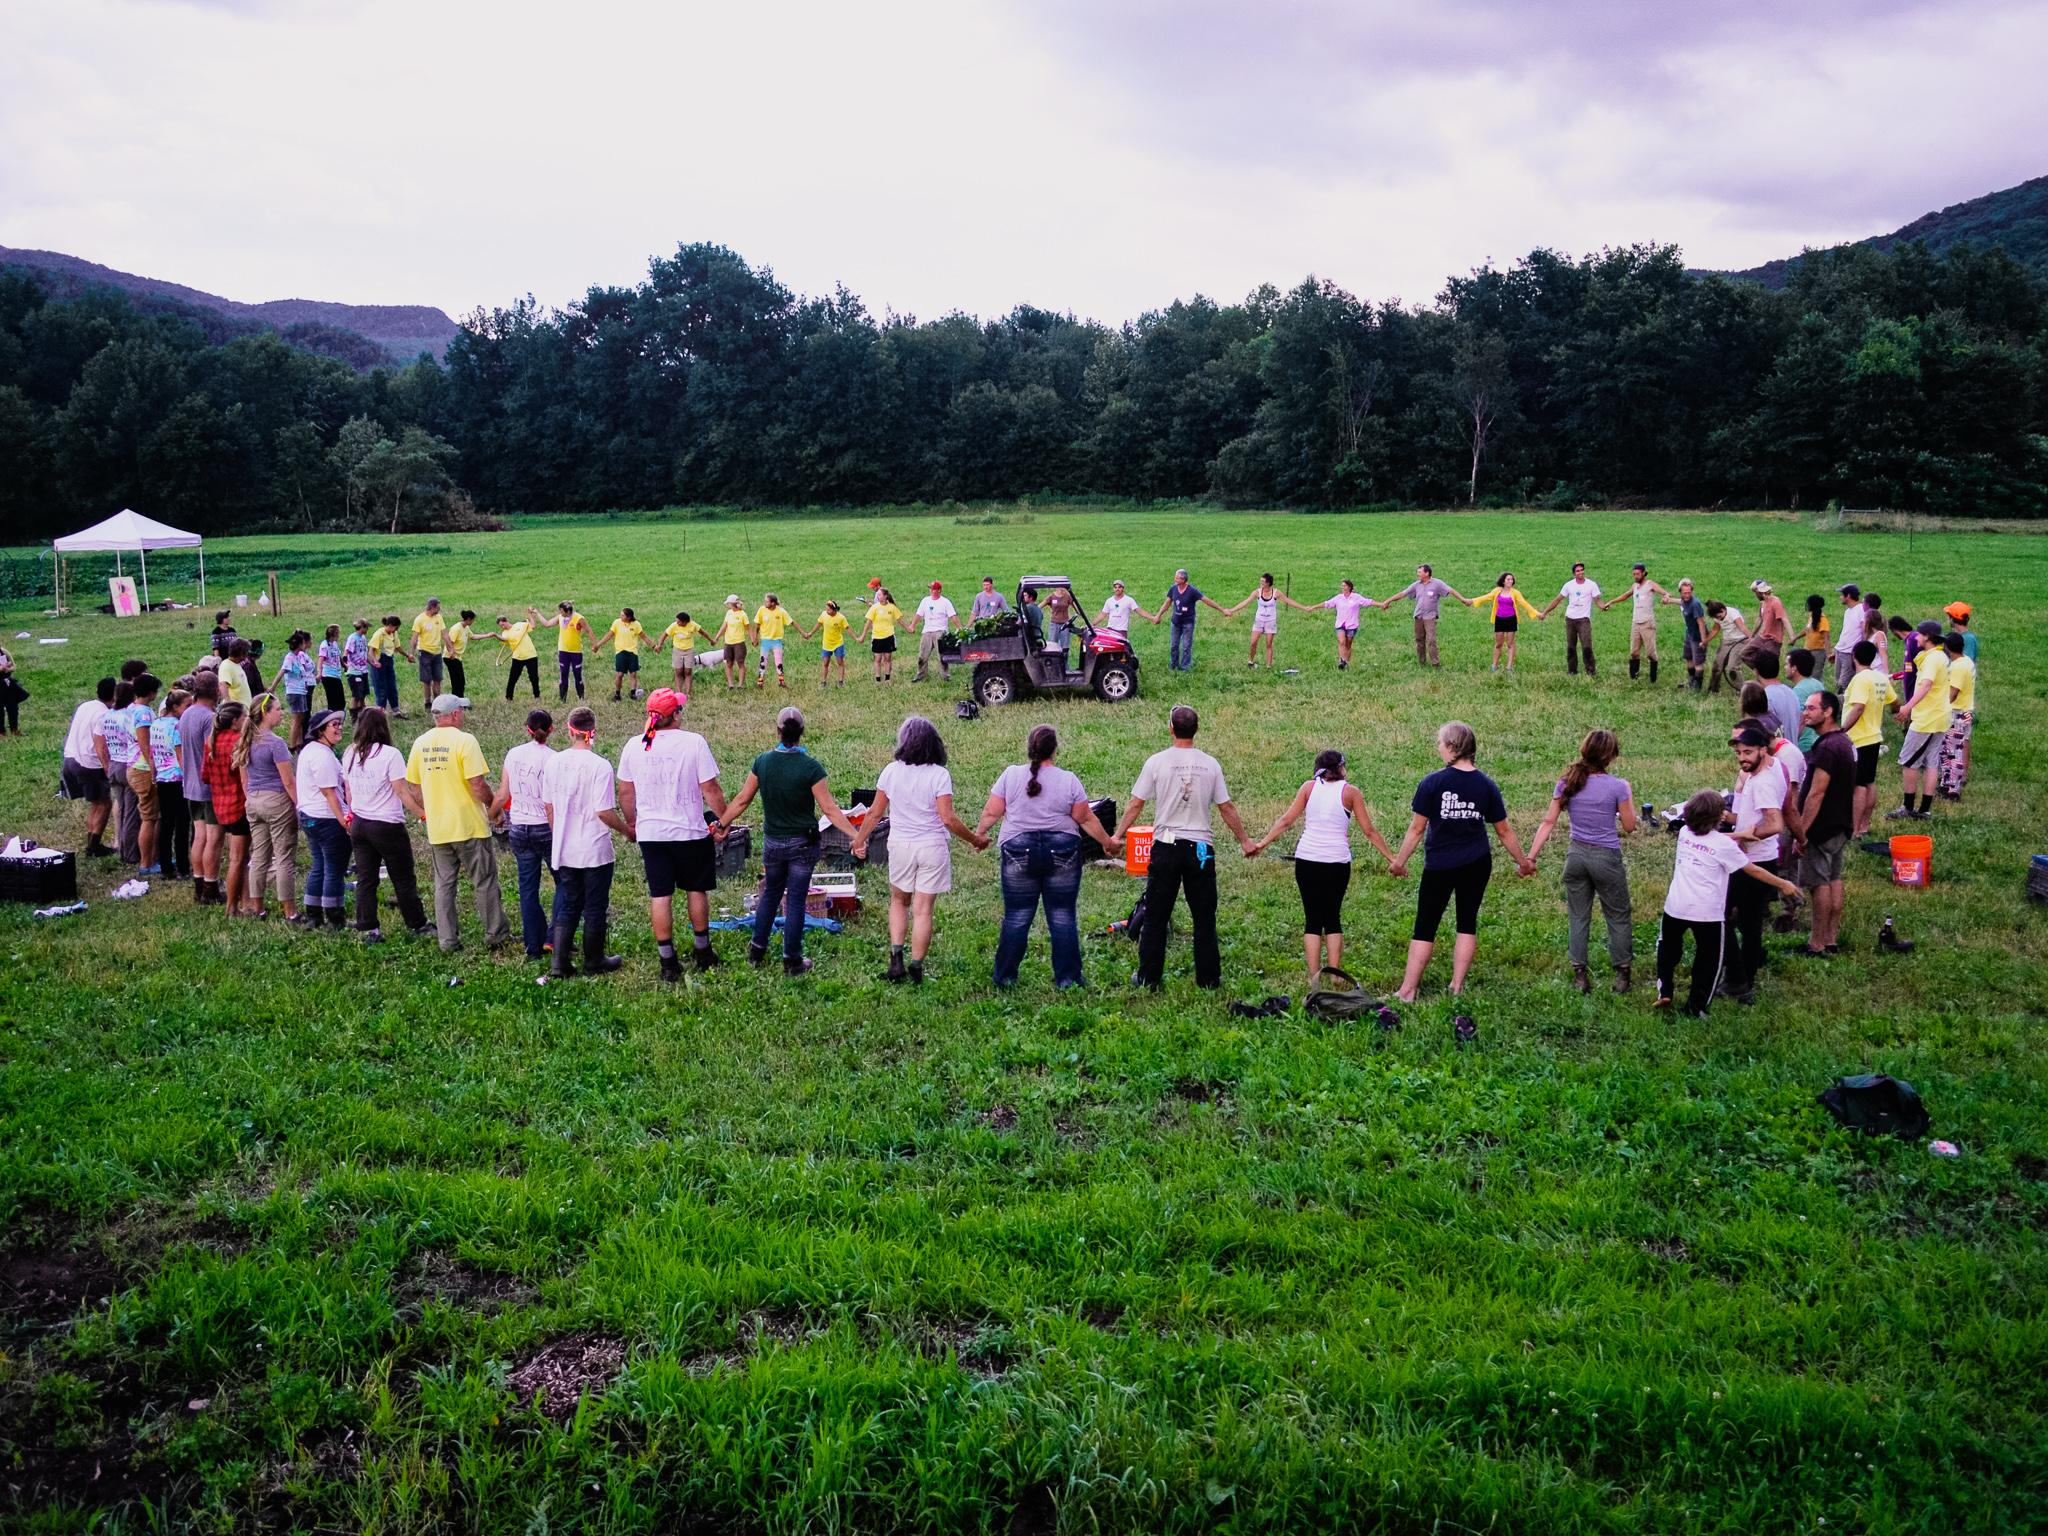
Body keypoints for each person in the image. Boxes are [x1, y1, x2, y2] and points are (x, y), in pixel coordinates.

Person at [1386, 721, 1536, 1001]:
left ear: (1453, 747)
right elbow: (1503, 830)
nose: (1439, 749)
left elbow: (1417, 829)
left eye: (1441, 744)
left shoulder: (1432, 782)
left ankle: (1408, 990)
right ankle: (1456, 986)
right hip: (1477, 862)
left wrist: (1399, 862)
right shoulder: (1487, 785)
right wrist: (1523, 863)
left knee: (1425, 925)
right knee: (1467, 922)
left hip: (1440, 864)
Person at [715, 706, 866, 976]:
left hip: (773, 843)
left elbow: (742, 799)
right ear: (802, 734)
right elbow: (830, 810)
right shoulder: (810, 767)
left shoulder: (762, 762)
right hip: (803, 845)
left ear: (778, 731)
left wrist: (722, 823)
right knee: (795, 900)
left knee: (771, 894)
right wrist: (857, 836)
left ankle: (756, 952)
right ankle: (792, 961)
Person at [1120, 705, 1255, 990]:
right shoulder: (1210, 764)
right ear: (1196, 729)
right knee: (1204, 916)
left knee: (1156, 915)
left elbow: (1136, 804)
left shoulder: (1157, 762)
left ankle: (1148, 977)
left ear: (1171, 728)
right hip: (1200, 850)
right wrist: (1244, 840)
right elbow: (1226, 807)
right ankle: (1208, 978)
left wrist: (1117, 836)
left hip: (1166, 847)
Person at [975, 724, 1118, 990]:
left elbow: (992, 812)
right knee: (1062, 915)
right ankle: (1068, 979)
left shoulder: (1010, 775)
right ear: (1055, 750)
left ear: (1030, 748)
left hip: (1018, 850)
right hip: (1062, 850)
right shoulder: (1068, 779)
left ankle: (1005, 978)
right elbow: (1084, 818)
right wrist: (1108, 843)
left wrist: (980, 836)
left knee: (1017, 916)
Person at [853, 715, 989, 983]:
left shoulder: (891, 771)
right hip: (932, 847)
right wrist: (975, 840)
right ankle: (916, 967)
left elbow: (874, 814)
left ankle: (895, 960)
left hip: (901, 845)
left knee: (899, 902)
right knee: (923, 910)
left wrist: (859, 840)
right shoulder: (939, 775)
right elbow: (947, 818)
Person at [1251, 748, 1397, 987]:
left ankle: (1314, 976)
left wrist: (1261, 844)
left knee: (1312, 919)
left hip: (1307, 859)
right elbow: (1369, 831)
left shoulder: (1308, 788)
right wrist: (1392, 859)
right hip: (1336, 862)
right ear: (1341, 768)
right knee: (1332, 917)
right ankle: (1335, 974)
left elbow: (1287, 820)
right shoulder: (1351, 792)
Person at [1655, 791, 1801, 1018]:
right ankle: (1696, 1008)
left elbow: (1715, 842)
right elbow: (1752, 869)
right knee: (1709, 961)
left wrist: (1741, 834)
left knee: (1668, 948)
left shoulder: (1684, 833)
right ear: (1718, 818)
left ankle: (1664, 989)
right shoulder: (1724, 847)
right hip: (1707, 915)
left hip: (1675, 908)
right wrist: (1783, 884)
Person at [619, 687, 727, 981]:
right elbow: (711, 789)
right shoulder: (693, 743)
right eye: (680, 709)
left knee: (660, 895)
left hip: (652, 833)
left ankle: (668, 960)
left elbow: (626, 791)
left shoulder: (635, 745)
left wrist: (632, 823)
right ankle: (703, 950)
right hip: (690, 831)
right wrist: (724, 820)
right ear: (675, 715)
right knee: (695, 889)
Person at [1526, 730, 1638, 993]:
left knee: (1578, 916)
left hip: (1576, 856)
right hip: (1606, 857)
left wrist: (1530, 857)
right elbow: (1631, 826)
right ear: (1610, 756)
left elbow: (1548, 822)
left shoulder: (1568, 782)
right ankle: (1622, 975)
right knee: (1618, 915)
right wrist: (1629, 794)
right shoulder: (1618, 786)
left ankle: (1579, 976)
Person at [406, 692, 508, 952]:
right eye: (460, 711)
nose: (462, 715)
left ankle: (448, 940)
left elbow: (414, 787)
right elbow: (477, 784)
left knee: (444, 884)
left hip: (439, 828)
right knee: (484, 880)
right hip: (469, 824)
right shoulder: (465, 741)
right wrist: (492, 807)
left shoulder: (420, 743)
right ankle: (495, 934)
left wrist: (431, 809)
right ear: (453, 715)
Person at [541, 706, 627, 977]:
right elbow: (603, 812)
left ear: (569, 731)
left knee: (568, 903)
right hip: (594, 849)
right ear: (593, 733)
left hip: (565, 847)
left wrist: (559, 834)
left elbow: (549, 806)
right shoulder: (600, 766)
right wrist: (627, 831)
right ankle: (594, 960)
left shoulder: (553, 762)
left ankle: (560, 964)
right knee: (594, 906)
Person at [342, 707, 429, 942]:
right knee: (402, 877)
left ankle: (369, 928)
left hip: (360, 823)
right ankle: (417, 923)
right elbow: (402, 791)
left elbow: (348, 792)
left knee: (366, 878)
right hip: (386, 825)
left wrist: (352, 814)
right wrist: (422, 814)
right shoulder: (390, 754)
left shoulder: (350, 753)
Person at [1722, 721, 1789, 1005]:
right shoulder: (1769, 769)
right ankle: (1743, 979)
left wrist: (1747, 836)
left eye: (1748, 752)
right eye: (1739, 753)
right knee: (1748, 925)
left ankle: (1740, 981)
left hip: (1755, 861)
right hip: (1755, 858)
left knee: (1728, 920)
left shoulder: (1761, 783)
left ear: (1763, 749)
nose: (1742, 759)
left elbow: (1776, 823)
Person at [1787, 691, 1853, 959]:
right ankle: (1831, 938)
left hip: (1821, 827)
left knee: (1819, 884)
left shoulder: (1826, 748)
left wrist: (1801, 833)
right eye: (1805, 708)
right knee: (1835, 879)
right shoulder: (1844, 742)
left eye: (1812, 708)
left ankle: (1816, 943)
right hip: (1840, 825)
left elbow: (1816, 793)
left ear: (1828, 712)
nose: (1806, 712)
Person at [492, 709, 557, 961]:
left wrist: (493, 814)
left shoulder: (514, 754)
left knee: (528, 888)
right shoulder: (554, 759)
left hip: (519, 828)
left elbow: (502, 794)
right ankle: (554, 937)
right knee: (564, 883)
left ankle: (533, 945)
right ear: (551, 729)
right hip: (545, 827)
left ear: (527, 729)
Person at [237, 694, 300, 921]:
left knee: (259, 856)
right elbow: (288, 781)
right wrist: (299, 805)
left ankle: (258, 907)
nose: (281, 712)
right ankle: (290, 912)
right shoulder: (276, 743)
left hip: (253, 800)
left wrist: (251, 799)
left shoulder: (245, 740)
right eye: (277, 708)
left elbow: (244, 779)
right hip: (276, 801)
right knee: (283, 857)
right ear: (265, 712)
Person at [1888, 619, 1951, 822]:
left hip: (1927, 718)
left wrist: (1907, 707)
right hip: (1940, 717)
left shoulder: (1933, 659)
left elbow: (1925, 686)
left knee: (1909, 761)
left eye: (1921, 634)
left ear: (1928, 638)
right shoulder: (1940, 656)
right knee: (1932, 762)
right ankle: (1924, 810)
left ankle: (1907, 807)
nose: (1918, 637)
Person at [294, 709, 351, 928]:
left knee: (319, 865)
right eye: (333, 725)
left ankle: (314, 915)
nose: (339, 728)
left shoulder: (309, 750)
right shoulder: (323, 756)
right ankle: (335, 918)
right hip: (326, 818)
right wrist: (344, 821)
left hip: (309, 816)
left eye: (339, 724)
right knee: (334, 869)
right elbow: (330, 794)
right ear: (320, 731)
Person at [1840, 640, 1895, 840]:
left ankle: (1853, 830)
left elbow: (1858, 707)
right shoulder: (1880, 678)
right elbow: (1895, 702)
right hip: (1874, 736)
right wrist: (1899, 712)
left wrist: (1842, 729)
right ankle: (1864, 825)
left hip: (1859, 738)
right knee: (1869, 782)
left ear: (1854, 656)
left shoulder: (1860, 679)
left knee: (1858, 785)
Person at [202, 702, 251, 918]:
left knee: (239, 857)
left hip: (220, 805)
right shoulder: (238, 742)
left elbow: (205, 776)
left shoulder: (211, 742)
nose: (247, 719)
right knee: (238, 859)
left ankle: (246, 902)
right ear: (235, 721)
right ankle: (232, 907)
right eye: (245, 716)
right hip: (239, 805)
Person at [62, 677, 116, 858]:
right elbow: (100, 746)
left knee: (95, 803)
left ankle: (91, 842)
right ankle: (94, 846)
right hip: (89, 763)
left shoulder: (86, 706)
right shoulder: (103, 715)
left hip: (71, 757)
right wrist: (108, 769)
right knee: (104, 803)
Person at [179, 672, 220, 902]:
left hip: (190, 785)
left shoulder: (186, 715)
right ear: (215, 691)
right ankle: (211, 888)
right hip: (208, 787)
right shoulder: (209, 718)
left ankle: (198, 883)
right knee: (212, 838)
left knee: (199, 836)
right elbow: (211, 752)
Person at [147, 686, 192, 887]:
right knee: (182, 825)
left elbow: (152, 751)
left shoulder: (156, 724)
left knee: (166, 824)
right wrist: (189, 776)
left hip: (163, 779)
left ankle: (165, 866)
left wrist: (154, 773)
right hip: (178, 778)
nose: (189, 709)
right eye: (187, 705)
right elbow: (180, 753)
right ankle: (182, 867)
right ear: (175, 707)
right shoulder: (176, 726)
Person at [1382, 564, 1464, 668]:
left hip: (1430, 617)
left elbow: (1450, 590)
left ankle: (1435, 663)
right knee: (1419, 640)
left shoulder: (1437, 584)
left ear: (1427, 573)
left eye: (1419, 572)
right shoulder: (1416, 585)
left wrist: (1463, 599)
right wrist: (1388, 601)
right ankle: (1422, 662)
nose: (1418, 574)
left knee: (1431, 640)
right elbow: (1402, 594)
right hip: (1419, 616)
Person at [1224, 573, 1312, 669]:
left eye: (1263, 581)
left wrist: (1304, 608)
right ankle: (1251, 661)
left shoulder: (1276, 593)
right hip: (1259, 620)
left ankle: (1268, 666)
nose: (1260, 583)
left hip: (1270, 621)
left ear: (1268, 583)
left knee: (1268, 644)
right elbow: (1245, 602)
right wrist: (1231, 610)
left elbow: (1289, 601)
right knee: (1253, 642)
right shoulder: (1257, 592)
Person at [103, 676, 147, 867]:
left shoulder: (107, 716)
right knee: (131, 813)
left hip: (113, 763)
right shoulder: (128, 716)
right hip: (127, 763)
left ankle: (121, 847)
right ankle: (131, 854)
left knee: (121, 809)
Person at [1599, 564, 1669, 682]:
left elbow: (1665, 592)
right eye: (1634, 574)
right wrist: (1612, 602)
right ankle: (1634, 678)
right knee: (1634, 652)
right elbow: (1626, 595)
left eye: (1637, 574)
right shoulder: (1635, 586)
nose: (1635, 576)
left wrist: (1666, 597)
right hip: (1635, 623)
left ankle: (1653, 678)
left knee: (1650, 653)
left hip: (1647, 623)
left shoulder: (1650, 584)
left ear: (1643, 573)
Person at [1153, 570, 1228, 672]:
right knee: (1174, 645)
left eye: (1177, 578)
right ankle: (1173, 665)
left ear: (1183, 580)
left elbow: (1206, 600)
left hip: (1188, 623)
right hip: (1176, 623)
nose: (1175, 579)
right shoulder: (1173, 589)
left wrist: (1222, 609)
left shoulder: (1192, 591)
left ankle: (1185, 667)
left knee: (1186, 646)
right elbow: (1167, 603)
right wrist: (1158, 615)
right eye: (1175, 577)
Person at [1469, 573, 1542, 672]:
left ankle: (1509, 667)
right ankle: (1494, 666)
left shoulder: (1515, 593)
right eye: (1508, 579)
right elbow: (1486, 597)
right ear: (1503, 581)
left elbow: (1524, 604)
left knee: (1510, 644)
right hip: (1499, 619)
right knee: (1498, 644)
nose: (1510, 581)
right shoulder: (1497, 591)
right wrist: (1472, 601)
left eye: (1512, 580)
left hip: (1511, 620)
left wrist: (1537, 613)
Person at [1539, 562, 1601, 676]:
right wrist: (1545, 612)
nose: (1580, 572)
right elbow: (1557, 600)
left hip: (1584, 620)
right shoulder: (1569, 585)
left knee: (1586, 646)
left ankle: (1591, 671)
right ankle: (1572, 671)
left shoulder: (1591, 585)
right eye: (1578, 571)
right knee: (1571, 646)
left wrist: (1603, 606)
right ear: (1574, 573)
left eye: (1582, 570)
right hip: (1570, 619)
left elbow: (1597, 600)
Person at [1937, 630, 1976, 802]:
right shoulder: (1966, 661)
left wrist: (1938, 708)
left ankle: (1953, 789)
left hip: (1958, 713)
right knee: (1948, 749)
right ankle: (1947, 783)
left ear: (1948, 647)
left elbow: (1952, 693)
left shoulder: (1959, 667)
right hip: (1966, 711)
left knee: (1954, 751)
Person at [536, 601, 593, 701]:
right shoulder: (560, 617)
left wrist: (595, 645)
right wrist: (537, 613)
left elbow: (589, 630)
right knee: (563, 675)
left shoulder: (579, 618)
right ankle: (563, 699)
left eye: (561, 611)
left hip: (576, 652)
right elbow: (547, 624)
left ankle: (581, 698)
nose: (559, 612)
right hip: (563, 651)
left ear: (567, 611)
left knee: (577, 675)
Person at [270, 630, 316, 750]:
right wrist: (273, 687)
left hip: (301, 691)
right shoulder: (290, 658)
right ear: (300, 644)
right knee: (296, 719)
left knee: (301, 718)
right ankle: (292, 746)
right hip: (294, 692)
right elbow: (282, 672)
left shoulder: (298, 657)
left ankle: (299, 742)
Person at [595, 606, 647, 701]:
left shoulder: (636, 624)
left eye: (622, 615)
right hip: (620, 652)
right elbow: (609, 635)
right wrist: (598, 645)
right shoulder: (617, 623)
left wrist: (654, 646)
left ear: (628, 617)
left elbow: (644, 636)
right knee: (619, 674)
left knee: (633, 673)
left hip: (632, 652)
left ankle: (633, 693)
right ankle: (617, 694)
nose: (620, 616)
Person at [912, 581, 958, 683]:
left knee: (942, 656)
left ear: (939, 590)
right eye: (931, 589)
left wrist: (959, 628)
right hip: (927, 631)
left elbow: (953, 616)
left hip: (940, 631)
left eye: (933, 589)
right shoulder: (925, 601)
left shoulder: (945, 602)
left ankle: (946, 676)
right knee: (922, 656)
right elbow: (918, 615)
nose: (931, 591)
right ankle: (921, 674)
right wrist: (912, 625)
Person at [1742, 580, 1789, 675]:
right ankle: (1760, 672)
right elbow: (1760, 618)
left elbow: (1784, 619)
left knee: (1769, 664)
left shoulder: (1775, 602)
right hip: (1762, 637)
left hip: (1773, 640)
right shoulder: (1762, 603)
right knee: (1744, 654)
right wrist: (1752, 636)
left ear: (1760, 592)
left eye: (1755, 593)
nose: (1755, 595)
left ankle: (1767, 677)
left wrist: (1792, 637)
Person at [1702, 599, 1749, 694]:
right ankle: (1713, 690)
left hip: (1740, 641)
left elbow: (1743, 628)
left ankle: (1741, 690)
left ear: (1723, 610)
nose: (1718, 619)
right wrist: (1705, 641)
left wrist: (1751, 638)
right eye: (1716, 617)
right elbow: (1715, 630)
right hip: (1727, 641)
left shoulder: (1733, 614)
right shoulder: (1717, 616)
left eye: (1719, 616)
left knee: (1732, 667)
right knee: (1717, 666)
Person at [1754, 652, 1802, 742]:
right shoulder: (1791, 692)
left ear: (1756, 671)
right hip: (1793, 750)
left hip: (1778, 753)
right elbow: (1801, 723)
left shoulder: (1765, 697)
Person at [803, 600, 852, 687]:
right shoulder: (824, 615)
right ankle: (823, 682)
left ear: (834, 610)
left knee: (840, 662)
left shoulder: (841, 618)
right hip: (826, 644)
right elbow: (818, 624)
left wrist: (856, 638)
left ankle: (841, 681)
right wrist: (810, 633)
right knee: (825, 663)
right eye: (826, 609)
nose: (827, 611)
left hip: (838, 643)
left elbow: (848, 628)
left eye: (829, 610)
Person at [858, 587, 903, 682]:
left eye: (879, 595)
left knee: (887, 658)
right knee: (877, 658)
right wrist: (863, 636)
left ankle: (887, 678)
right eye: (877, 595)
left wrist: (909, 628)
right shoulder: (874, 607)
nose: (877, 597)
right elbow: (868, 623)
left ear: (885, 596)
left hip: (889, 636)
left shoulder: (892, 607)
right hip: (877, 636)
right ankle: (878, 679)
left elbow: (900, 620)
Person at [411, 598, 447, 715]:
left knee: (438, 679)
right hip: (425, 652)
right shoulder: (420, 619)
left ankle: (437, 701)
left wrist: (450, 647)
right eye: (438, 607)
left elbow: (444, 634)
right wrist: (411, 652)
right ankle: (427, 702)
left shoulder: (439, 617)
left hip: (437, 652)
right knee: (427, 680)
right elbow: (414, 638)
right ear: (431, 607)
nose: (439, 609)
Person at [368, 616, 409, 714]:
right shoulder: (379, 634)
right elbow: (370, 651)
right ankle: (381, 711)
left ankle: (396, 709)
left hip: (389, 661)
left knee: (391, 685)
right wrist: (375, 661)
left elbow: (398, 647)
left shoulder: (394, 634)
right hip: (379, 663)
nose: (397, 630)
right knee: (381, 687)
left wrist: (407, 655)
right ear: (390, 625)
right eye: (396, 628)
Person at [1786, 649, 1824, 753]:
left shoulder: (1798, 691)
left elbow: (1800, 720)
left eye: (1787, 664)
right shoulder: (1817, 684)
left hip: (1805, 745)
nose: (1785, 668)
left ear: (1794, 668)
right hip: (1819, 740)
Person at [497, 612, 541, 700]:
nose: (502, 627)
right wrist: (495, 635)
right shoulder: (504, 633)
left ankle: (537, 696)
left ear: (506, 621)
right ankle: (509, 697)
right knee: (512, 679)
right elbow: (505, 639)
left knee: (534, 677)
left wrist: (530, 615)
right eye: (500, 626)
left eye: (503, 624)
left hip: (531, 655)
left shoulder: (520, 625)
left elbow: (533, 626)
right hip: (517, 657)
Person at [1673, 578, 1707, 691]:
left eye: (1689, 592)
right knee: (1688, 658)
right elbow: (1680, 601)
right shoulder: (1684, 600)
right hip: (1689, 633)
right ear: (1680, 592)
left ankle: (1697, 688)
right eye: (1684, 593)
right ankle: (1691, 682)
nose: (1687, 595)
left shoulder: (1695, 604)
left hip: (1698, 636)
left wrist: (1703, 640)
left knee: (1698, 662)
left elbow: (1701, 623)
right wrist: (1669, 600)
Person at [1832, 583, 1868, 690]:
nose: (1840, 597)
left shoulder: (1861, 610)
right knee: (1838, 682)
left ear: (1848, 596)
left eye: (1842, 595)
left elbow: (1864, 631)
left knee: (1844, 685)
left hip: (1849, 653)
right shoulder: (1848, 611)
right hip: (1840, 650)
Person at [751, 594, 791, 689]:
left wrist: (803, 633)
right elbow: (757, 625)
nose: (765, 603)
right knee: (763, 661)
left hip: (777, 641)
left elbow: (791, 622)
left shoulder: (781, 611)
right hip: (765, 641)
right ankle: (760, 682)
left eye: (767, 601)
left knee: (779, 662)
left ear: (773, 603)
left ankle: (781, 682)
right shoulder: (761, 610)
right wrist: (755, 638)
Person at [658, 611, 704, 691]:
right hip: (677, 651)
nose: (677, 622)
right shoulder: (674, 626)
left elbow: (703, 632)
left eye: (679, 621)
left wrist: (711, 640)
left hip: (689, 650)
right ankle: (679, 691)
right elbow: (664, 634)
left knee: (688, 671)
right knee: (678, 671)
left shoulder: (693, 625)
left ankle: (688, 692)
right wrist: (659, 645)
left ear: (684, 622)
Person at [1094, 579, 1150, 645]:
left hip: (1121, 631)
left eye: (1119, 587)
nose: (1117, 589)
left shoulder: (1129, 600)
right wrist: (1092, 624)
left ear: (1123, 589)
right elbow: (1103, 614)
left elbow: (1139, 611)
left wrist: (1152, 618)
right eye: (1115, 587)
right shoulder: (1109, 601)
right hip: (1110, 630)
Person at [715, 594, 751, 689]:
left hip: (739, 642)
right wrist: (717, 636)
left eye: (729, 604)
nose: (728, 605)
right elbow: (724, 626)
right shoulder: (729, 613)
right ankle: (730, 684)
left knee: (740, 663)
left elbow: (748, 628)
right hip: (728, 642)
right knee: (729, 663)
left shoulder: (743, 614)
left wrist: (753, 639)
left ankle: (740, 684)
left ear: (732, 603)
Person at [344, 620, 373, 717]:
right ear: (362, 627)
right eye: (366, 627)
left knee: (363, 695)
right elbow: (346, 652)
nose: (367, 629)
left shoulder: (363, 638)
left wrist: (373, 662)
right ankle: (354, 717)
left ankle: (363, 715)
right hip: (355, 671)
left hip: (363, 670)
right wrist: (345, 664)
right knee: (356, 695)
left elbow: (365, 653)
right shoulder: (352, 638)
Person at [445, 610, 476, 700]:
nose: (473, 622)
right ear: (469, 619)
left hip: (457, 657)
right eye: (473, 620)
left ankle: (459, 700)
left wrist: (488, 635)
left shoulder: (465, 627)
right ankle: (457, 701)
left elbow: (473, 636)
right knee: (457, 681)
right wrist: (452, 653)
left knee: (460, 681)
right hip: (450, 658)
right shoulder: (456, 628)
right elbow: (450, 642)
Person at [316, 625, 346, 714]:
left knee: (341, 702)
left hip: (336, 675)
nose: (339, 635)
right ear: (334, 634)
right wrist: (319, 673)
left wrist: (344, 665)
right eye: (338, 633)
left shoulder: (335, 644)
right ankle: (331, 721)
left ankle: (337, 720)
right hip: (328, 676)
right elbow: (320, 660)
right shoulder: (324, 645)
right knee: (333, 702)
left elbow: (338, 656)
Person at [220, 639, 255, 710]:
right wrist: (229, 706)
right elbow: (223, 686)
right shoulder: (226, 666)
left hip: (245, 711)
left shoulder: (237, 664)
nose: (247, 656)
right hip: (238, 713)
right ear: (241, 654)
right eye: (246, 653)